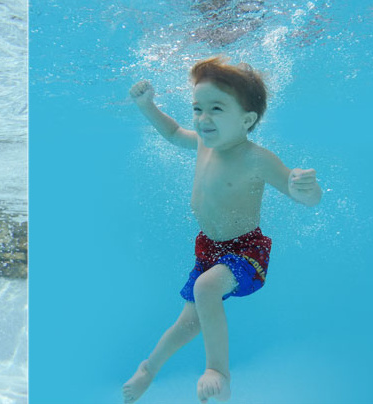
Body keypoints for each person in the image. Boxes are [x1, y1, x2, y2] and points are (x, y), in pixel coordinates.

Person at [122, 56, 322, 403]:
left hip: (246, 250)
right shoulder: (202, 143)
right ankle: (148, 368)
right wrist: (146, 105)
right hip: (209, 249)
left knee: (205, 288)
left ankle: (218, 371)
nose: (202, 119)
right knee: (188, 323)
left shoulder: (256, 158)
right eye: (197, 109)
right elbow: (171, 132)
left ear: (247, 120)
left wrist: (307, 190)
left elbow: (300, 195)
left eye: (215, 108)